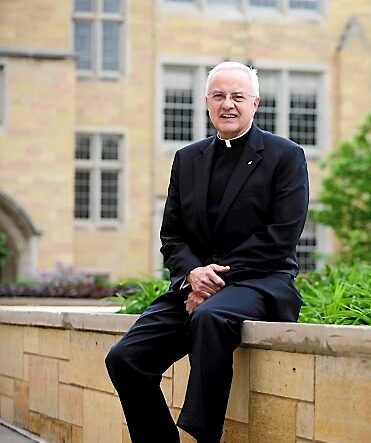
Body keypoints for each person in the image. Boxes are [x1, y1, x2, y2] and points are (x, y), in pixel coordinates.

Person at [105, 61, 309, 443]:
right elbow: (172, 235)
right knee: (124, 360)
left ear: (255, 103)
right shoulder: (187, 159)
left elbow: (280, 236)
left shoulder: (286, 156)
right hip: (194, 285)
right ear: (207, 102)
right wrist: (193, 276)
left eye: (237, 96)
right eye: (219, 96)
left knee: (210, 317)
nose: (227, 104)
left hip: (262, 282)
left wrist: (213, 278)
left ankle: (204, 434)